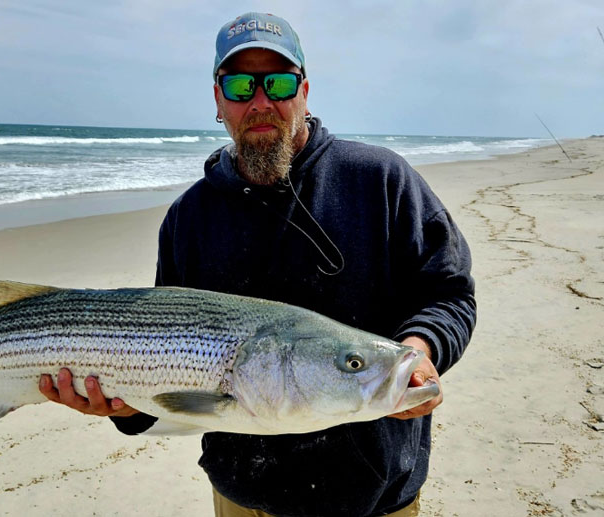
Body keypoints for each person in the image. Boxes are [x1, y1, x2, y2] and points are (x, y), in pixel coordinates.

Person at [40, 12, 476, 517]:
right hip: (242, 499)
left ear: (305, 90)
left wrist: (419, 350)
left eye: (279, 82)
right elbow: (160, 353)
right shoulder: (189, 219)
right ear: (219, 99)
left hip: (376, 500)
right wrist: (123, 407)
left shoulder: (380, 182)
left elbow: (450, 292)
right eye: (242, 85)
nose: (262, 102)